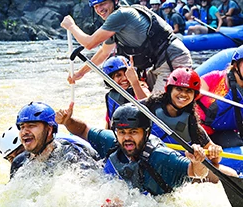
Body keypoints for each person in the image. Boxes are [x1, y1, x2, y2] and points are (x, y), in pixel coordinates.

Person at [60, 0, 192, 94]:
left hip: (172, 59)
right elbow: (103, 53)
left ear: (115, 1)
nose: (100, 9)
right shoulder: (116, 24)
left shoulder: (120, 15)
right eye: (96, 6)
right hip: (159, 64)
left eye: (103, 4)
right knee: (140, 96)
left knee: (155, 106)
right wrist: (81, 73)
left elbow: (89, 44)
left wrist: (71, 26)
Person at [56, 101, 210, 195]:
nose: (127, 138)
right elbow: (83, 130)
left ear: (146, 133)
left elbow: (197, 173)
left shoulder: (163, 157)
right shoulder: (112, 143)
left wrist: (197, 161)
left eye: (134, 132)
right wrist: (68, 122)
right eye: (122, 132)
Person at [144, 67, 238, 182]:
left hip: (177, 168)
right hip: (148, 163)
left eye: (189, 91)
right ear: (170, 90)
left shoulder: (192, 122)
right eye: (179, 89)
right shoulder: (149, 107)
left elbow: (216, 161)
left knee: (231, 174)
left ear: (194, 95)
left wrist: (215, 151)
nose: (183, 94)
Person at [10, 102, 100, 177]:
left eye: (31, 126)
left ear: (49, 130)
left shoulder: (71, 156)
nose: (24, 132)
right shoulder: (19, 163)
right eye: (21, 127)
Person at [196, 45, 243, 148]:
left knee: (236, 142)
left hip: (224, 133)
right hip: (198, 130)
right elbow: (188, 99)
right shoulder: (214, 78)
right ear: (235, 65)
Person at [102, 55, 150, 129]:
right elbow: (108, 122)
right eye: (118, 75)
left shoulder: (141, 88)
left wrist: (135, 83)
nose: (124, 78)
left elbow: (149, 108)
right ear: (110, 79)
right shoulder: (111, 96)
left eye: (127, 74)